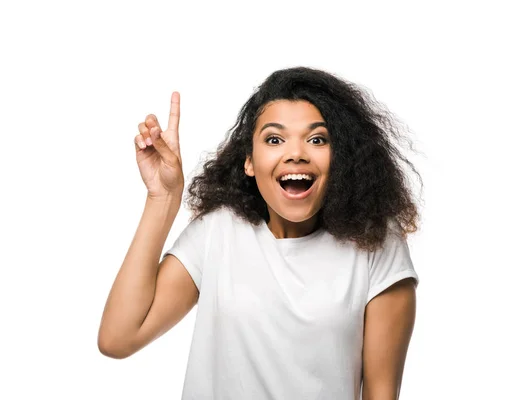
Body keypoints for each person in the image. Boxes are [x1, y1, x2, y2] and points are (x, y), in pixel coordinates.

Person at [98, 66, 422, 399]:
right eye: (274, 139)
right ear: (249, 162)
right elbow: (118, 338)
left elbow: (381, 392)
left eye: (317, 139)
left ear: (340, 157)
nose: (296, 153)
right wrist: (162, 198)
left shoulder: (376, 245)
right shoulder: (218, 232)